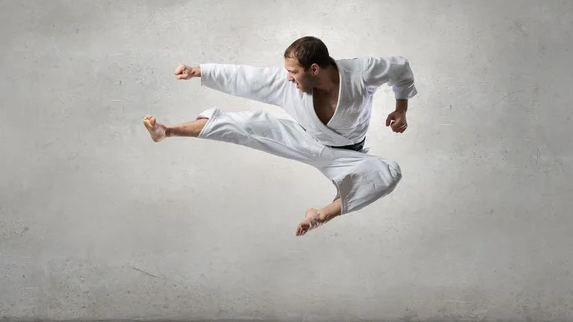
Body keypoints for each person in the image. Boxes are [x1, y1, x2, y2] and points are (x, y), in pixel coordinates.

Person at [143, 36, 418, 236]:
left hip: (348, 155)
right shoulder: (286, 84)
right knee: (250, 124)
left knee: (389, 173)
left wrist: (401, 109)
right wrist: (197, 71)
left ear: (314, 70)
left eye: (293, 72)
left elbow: (400, 69)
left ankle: (320, 215)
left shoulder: (362, 72)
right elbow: (246, 77)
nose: (288, 78)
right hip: (307, 142)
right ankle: (167, 131)